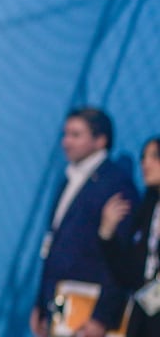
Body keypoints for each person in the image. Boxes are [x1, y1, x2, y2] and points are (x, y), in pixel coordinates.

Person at [30, 106, 138, 337]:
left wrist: (101, 317)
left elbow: (119, 256)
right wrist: (41, 303)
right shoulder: (68, 180)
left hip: (88, 313)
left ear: (100, 140)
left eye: (76, 135)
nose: (66, 142)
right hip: (58, 307)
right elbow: (53, 246)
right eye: (65, 134)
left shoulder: (115, 185)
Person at [99, 135, 160, 336]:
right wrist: (107, 235)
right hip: (145, 318)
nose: (145, 163)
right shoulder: (146, 209)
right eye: (143, 157)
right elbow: (128, 274)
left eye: (155, 156)